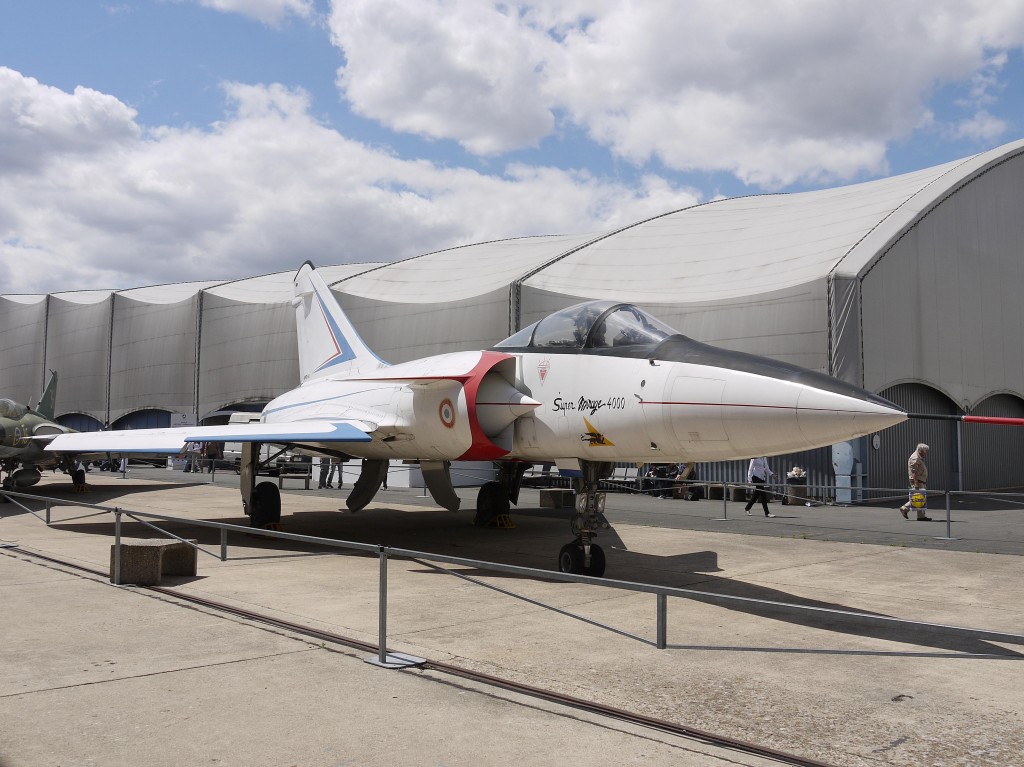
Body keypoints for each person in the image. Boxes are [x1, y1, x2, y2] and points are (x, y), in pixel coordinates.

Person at [899, 443, 932, 521]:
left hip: (920, 480)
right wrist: (916, 483)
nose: (926, 453)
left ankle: (921, 516)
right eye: (925, 451)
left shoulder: (919, 457)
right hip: (918, 480)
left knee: (920, 497)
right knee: (919, 497)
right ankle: (905, 508)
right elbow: (913, 472)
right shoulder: (915, 458)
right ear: (921, 450)